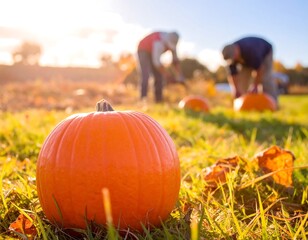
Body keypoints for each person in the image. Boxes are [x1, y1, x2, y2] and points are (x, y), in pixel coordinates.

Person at [222, 36, 278, 104]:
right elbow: (233, 74)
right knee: (242, 82)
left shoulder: (251, 50)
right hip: (246, 61)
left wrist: (255, 86)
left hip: (265, 53)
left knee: (265, 79)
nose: (234, 60)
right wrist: (236, 89)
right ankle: (245, 103)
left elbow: (259, 69)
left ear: (236, 49)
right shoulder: (231, 57)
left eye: (234, 57)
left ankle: (272, 103)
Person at [137, 31, 184, 103]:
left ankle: (158, 100)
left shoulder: (173, 44)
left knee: (158, 76)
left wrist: (180, 77)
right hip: (143, 49)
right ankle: (143, 99)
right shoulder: (158, 42)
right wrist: (168, 76)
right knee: (146, 75)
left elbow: (175, 62)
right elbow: (157, 63)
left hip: (153, 52)